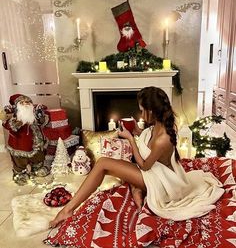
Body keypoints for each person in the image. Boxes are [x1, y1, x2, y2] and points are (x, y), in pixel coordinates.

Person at [49, 86, 224, 228]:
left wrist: (131, 139)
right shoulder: (160, 124)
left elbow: (145, 165)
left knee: (102, 163)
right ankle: (135, 188)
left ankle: (68, 209)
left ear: (151, 111)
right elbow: (149, 138)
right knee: (109, 165)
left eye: (142, 110)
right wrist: (138, 131)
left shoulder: (163, 139)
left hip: (158, 182)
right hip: (155, 173)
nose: (141, 114)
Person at [2, 94, 49, 185]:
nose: (26, 104)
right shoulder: (13, 117)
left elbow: (42, 123)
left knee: (38, 156)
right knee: (20, 160)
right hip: (20, 144)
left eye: (27, 102)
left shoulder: (34, 114)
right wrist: (17, 122)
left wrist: (41, 116)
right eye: (22, 103)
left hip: (36, 143)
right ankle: (20, 173)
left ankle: (37, 168)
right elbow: (8, 125)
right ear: (17, 106)